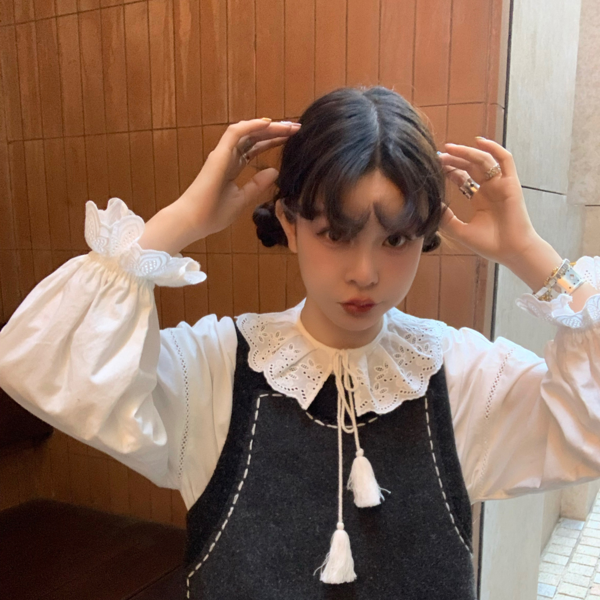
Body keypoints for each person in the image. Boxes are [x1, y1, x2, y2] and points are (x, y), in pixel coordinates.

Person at [0, 86, 598, 600]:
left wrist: (532, 255)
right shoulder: (211, 370)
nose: (365, 272)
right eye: (335, 233)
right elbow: (37, 361)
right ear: (288, 223)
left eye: (396, 240)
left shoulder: (463, 376)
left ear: (425, 233)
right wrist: (180, 220)